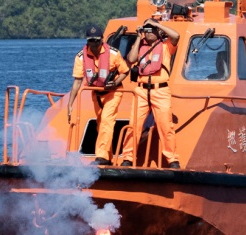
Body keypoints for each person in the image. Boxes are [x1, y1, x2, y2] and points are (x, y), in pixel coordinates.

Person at [122, 18, 182, 169]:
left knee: (165, 126)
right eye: (146, 30)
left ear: (158, 31)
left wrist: (156, 24)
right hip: (141, 90)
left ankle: (172, 158)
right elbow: (130, 59)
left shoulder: (166, 46)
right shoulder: (140, 45)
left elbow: (176, 36)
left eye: (152, 30)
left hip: (160, 90)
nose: (149, 33)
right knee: (134, 125)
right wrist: (138, 37)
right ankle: (128, 157)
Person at [67, 25, 130, 165]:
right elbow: (77, 82)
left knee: (107, 122)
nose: (94, 44)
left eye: (96, 40)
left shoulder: (114, 54)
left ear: (102, 39)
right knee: (100, 124)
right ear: (87, 41)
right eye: (91, 41)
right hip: (96, 94)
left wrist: (115, 82)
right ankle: (107, 158)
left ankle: (100, 157)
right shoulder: (80, 57)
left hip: (114, 92)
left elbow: (125, 71)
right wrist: (70, 104)